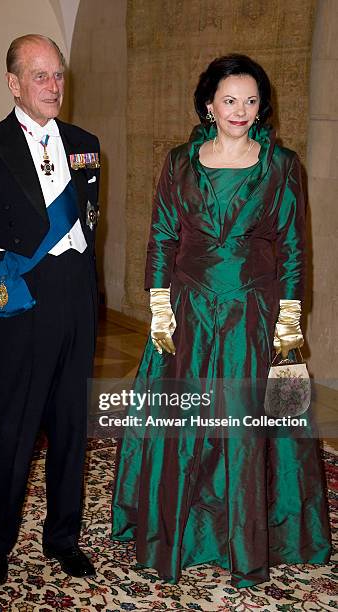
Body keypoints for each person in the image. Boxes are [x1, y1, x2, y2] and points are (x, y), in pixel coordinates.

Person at [111, 54, 331, 588]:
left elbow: (292, 248)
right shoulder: (179, 162)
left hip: (249, 318)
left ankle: (247, 536)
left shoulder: (281, 166)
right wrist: (160, 307)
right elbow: (162, 235)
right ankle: (178, 532)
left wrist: (289, 322)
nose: (241, 110)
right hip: (185, 315)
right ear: (209, 104)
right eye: (230, 100)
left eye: (251, 101)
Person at [0, 34, 100, 585]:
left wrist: (89, 297)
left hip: (76, 306)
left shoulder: (85, 142)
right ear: (13, 84)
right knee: (10, 430)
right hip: (23, 306)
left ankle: (63, 538)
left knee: (70, 427)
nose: (54, 86)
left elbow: (88, 224)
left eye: (58, 74)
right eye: (40, 76)